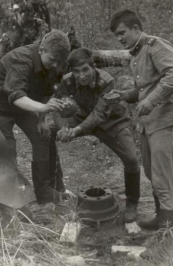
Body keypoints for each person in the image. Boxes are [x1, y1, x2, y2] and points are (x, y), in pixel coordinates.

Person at [109, 9, 173, 232]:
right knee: (153, 175)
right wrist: (124, 95)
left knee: (163, 179)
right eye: (116, 35)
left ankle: (168, 235)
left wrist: (151, 100)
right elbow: (144, 89)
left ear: (136, 29)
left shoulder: (155, 45)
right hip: (149, 124)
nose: (120, 38)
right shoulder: (137, 54)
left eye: (122, 32)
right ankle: (161, 219)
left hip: (164, 120)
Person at [50, 47, 141, 223]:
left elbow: (99, 115)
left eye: (85, 70)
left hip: (111, 121)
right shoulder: (67, 81)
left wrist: (75, 131)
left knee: (131, 158)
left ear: (93, 67)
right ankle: (56, 188)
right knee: (47, 132)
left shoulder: (106, 81)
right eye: (76, 71)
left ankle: (132, 202)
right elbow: (57, 106)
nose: (81, 75)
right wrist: (62, 128)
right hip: (82, 116)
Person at [0, 29, 70, 205]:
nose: (55, 65)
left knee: (43, 137)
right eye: (52, 60)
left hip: (23, 106)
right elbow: (15, 95)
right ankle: (7, 197)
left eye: (58, 62)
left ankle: (43, 192)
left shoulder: (52, 64)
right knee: (6, 150)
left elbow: (47, 93)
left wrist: (41, 120)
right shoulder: (22, 59)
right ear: (42, 49)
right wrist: (43, 108)